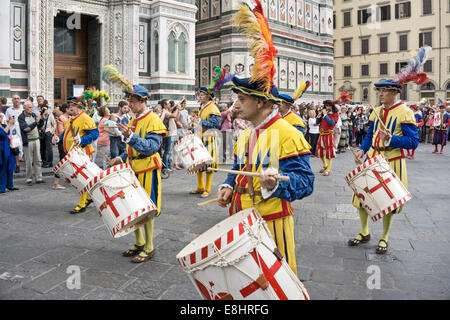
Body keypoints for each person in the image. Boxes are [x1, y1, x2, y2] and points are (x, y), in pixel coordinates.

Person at [217, 1, 314, 276]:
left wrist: (275, 185)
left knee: (275, 285)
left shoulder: (288, 134)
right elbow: (238, 169)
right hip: (241, 219)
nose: (237, 104)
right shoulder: (247, 133)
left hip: (270, 223)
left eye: (242, 98)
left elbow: (305, 183)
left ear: (261, 103)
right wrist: (228, 185)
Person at [350, 77, 420, 254]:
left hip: (392, 161)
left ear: (395, 93)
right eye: (380, 91)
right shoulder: (376, 111)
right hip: (372, 158)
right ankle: (364, 232)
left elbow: (413, 142)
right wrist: (362, 150)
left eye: (385, 91)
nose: (381, 94)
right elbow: (370, 134)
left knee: (388, 201)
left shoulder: (405, 113)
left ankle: (385, 236)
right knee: (361, 198)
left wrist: (391, 139)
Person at [109, 84, 167, 263]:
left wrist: (131, 137)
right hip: (133, 168)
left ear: (142, 101)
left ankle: (149, 246)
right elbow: (131, 146)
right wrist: (121, 157)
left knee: (146, 207)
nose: (129, 105)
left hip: (148, 168)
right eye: (129, 102)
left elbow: (151, 148)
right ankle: (139, 241)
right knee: (133, 207)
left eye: (132, 102)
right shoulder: (134, 120)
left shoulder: (154, 120)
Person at [55, 96, 99, 214]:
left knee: (82, 179)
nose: (70, 108)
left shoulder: (85, 118)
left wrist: (82, 140)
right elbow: (65, 133)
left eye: (73, 106)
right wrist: (58, 139)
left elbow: (95, 134)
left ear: (79, 107)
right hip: (72, 154)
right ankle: (89, 198)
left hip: (82, 153)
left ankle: (82, 203)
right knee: (82, 179)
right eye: (70, 106)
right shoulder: (71, 119)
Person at [190, 86, 221, 198]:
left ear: (208, 97)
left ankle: (207, 188)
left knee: (208, 163)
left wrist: (199, 121)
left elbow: (216, 125)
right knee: (199, 163)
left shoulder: (213, 108)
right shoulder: (202, 107)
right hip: (200, 138)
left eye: (202, 95)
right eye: (200, 94)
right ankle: (200, 186)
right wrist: (193, 129)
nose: (200, 96)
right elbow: (199, 124)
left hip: (209, 139)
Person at [18, 101, 45, 185]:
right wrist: (36, 122)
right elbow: (26, 129)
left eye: (31, 107)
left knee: (38, 160)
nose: (31, 109)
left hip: (36, 139)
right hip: (28, 141)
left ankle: (39, 177)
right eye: (29, 107)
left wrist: (41, 120)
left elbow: (39, 127)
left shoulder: (33, 115)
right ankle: (29, 178)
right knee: (29, 161)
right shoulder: (21, 117)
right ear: (24, 108)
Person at [315, 100, 340, 176]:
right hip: (322, 134)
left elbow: (331, 123)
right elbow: (317, 122)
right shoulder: (324, 113)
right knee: (320, 151)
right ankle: (325, 164)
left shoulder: (335, 114)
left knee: (330, 152)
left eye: (328, 106)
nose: (327, 107)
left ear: (332, 106)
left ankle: (328, 169)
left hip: (329, 134)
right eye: (326, 105)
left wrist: (325, 115)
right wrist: (319, 116)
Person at [5, 95, 23, 173]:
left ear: (20, 100)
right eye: (14, 99)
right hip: (14, 131)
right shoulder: (9, 110)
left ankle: (27, 163)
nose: (16, 100)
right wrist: (9, 123)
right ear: (12, 100)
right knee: (15, 148)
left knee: (24, 147)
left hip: (23, 130)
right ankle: (17, 165)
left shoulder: (23, 108)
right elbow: (5, 121)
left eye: (18, 98)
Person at [0, 114, 18, 193]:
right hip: (1, 151)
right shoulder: (4, 126)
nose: (0, 118)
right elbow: (3, 133)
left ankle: (10, 185)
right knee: (2, 169)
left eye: (0, 116)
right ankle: (2, 187)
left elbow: (9, 133)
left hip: (8, 149)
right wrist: (9, 124)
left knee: (10, 168)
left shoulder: (4, 125)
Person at [52, 104, 68, 190]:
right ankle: (55, 183)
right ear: (67, 109)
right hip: (62, 143)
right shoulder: (61, 118)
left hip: (66, 142)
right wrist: (71, 131)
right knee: (62, 162)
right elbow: (61, 131)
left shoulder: (66, 118)